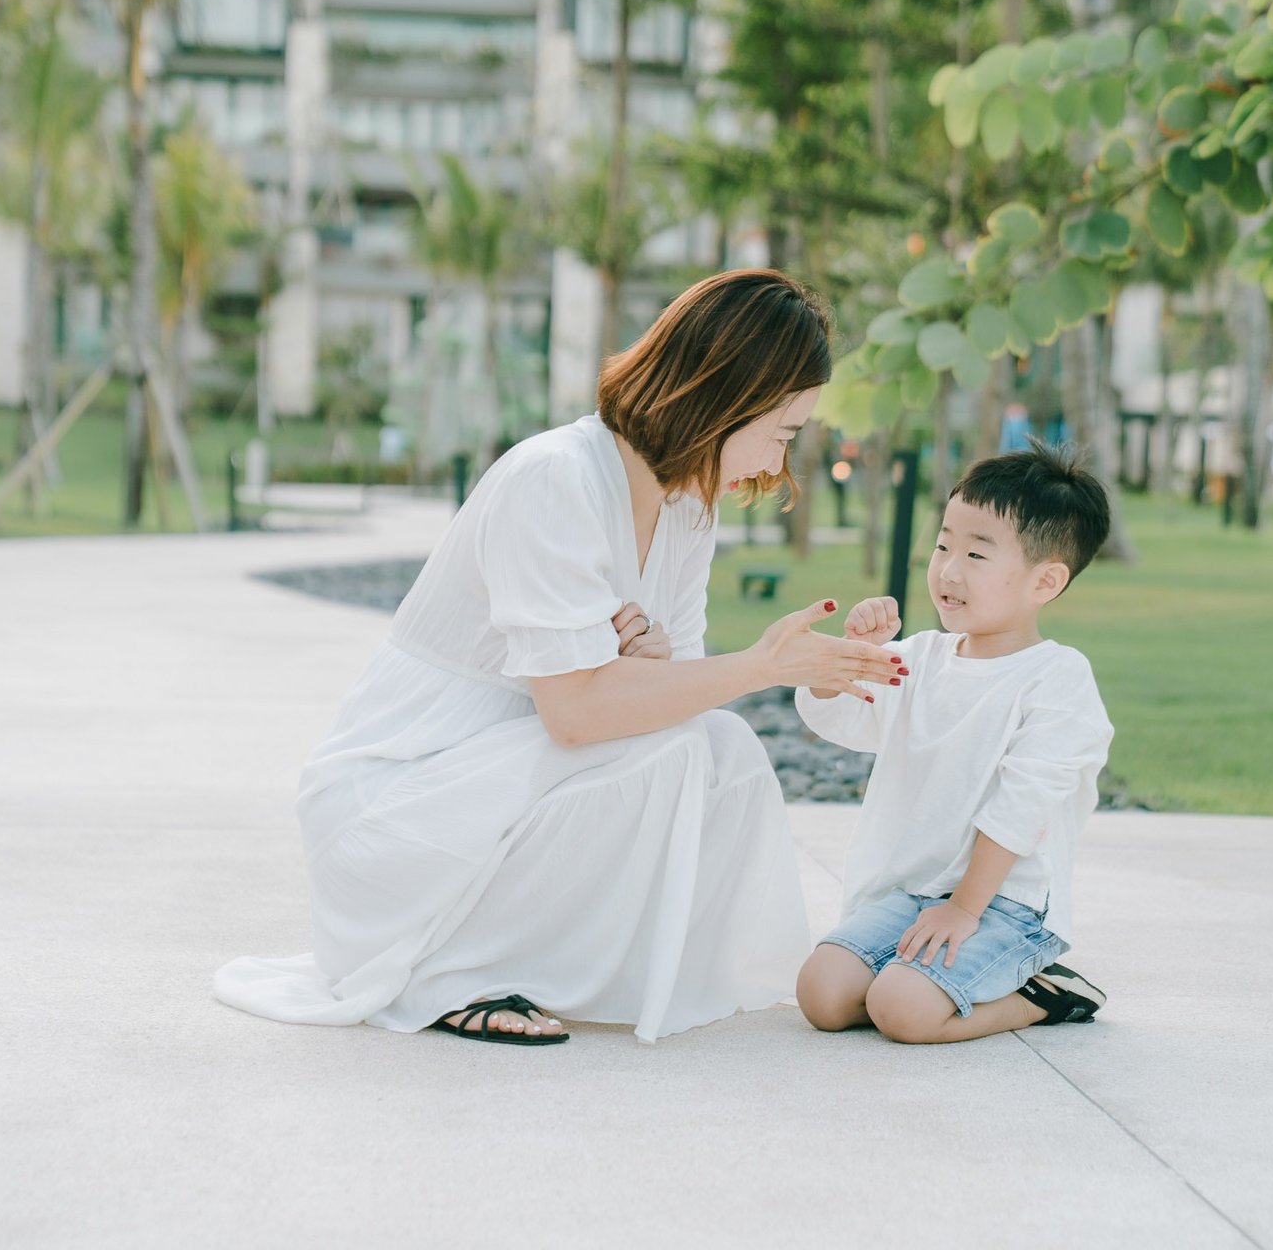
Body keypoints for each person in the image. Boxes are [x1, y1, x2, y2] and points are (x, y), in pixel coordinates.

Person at [215, 269, 904, 1045]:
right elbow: (577, 715)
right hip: (396, 814)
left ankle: (570, 966)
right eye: (782, 432)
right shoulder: (556, 479)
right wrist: (761, 665)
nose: (781, 463)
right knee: (680, 750)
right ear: (726, 397)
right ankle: (450, 973)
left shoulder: (686, 509)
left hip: (494, 789)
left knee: (720, 750)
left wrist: (655, 667)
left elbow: (665, 689)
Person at [792, 441, 1115, 1044]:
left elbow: (1022, 808)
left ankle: (1042, 995)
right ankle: (926, 979)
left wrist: (965, 909)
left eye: (976, 553)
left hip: (1001, 904)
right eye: (942, 545)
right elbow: (838, 720)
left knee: (905, 1012)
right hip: (911, 894)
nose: (948, 569)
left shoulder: (1057, 679)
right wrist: (849, 659)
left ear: (1046, 580)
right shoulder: (918, 656)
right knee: (822, 995)